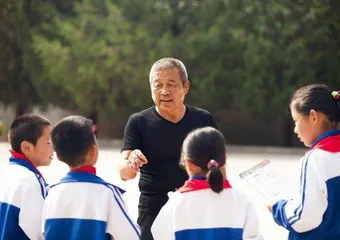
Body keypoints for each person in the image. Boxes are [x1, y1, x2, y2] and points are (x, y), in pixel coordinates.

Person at [119, 57, 217, 239]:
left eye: (171, 84)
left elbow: (219, 166)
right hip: (153, 208)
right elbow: (124, 173)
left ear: (185, 87)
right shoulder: (138, 122)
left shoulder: (203, 120)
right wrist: (132, 162)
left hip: (196, 205)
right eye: (158, 85)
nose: (164, 91)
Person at [151, 127, 262, 240]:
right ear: (224, 159)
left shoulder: (175, 205)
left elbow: (159, 234)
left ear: (188, 164)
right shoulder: (242, 201)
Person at [42, 116, 140, 240]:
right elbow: (131, 236)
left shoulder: (51, 193)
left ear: (59, 157)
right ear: (92, 151)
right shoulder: (107, 194)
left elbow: (44, 233)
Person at [270, 84, 340, 239]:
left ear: (313, 117)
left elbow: (303, 219)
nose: (295, 129)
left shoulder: (314, 160)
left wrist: (278, 209)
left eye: (296, 120)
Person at [0, 114, 53, 240]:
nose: (53, 149)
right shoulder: (30, 182)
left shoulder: (9, 173)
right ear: (27, 147)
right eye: (49, 142)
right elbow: (41, 233)